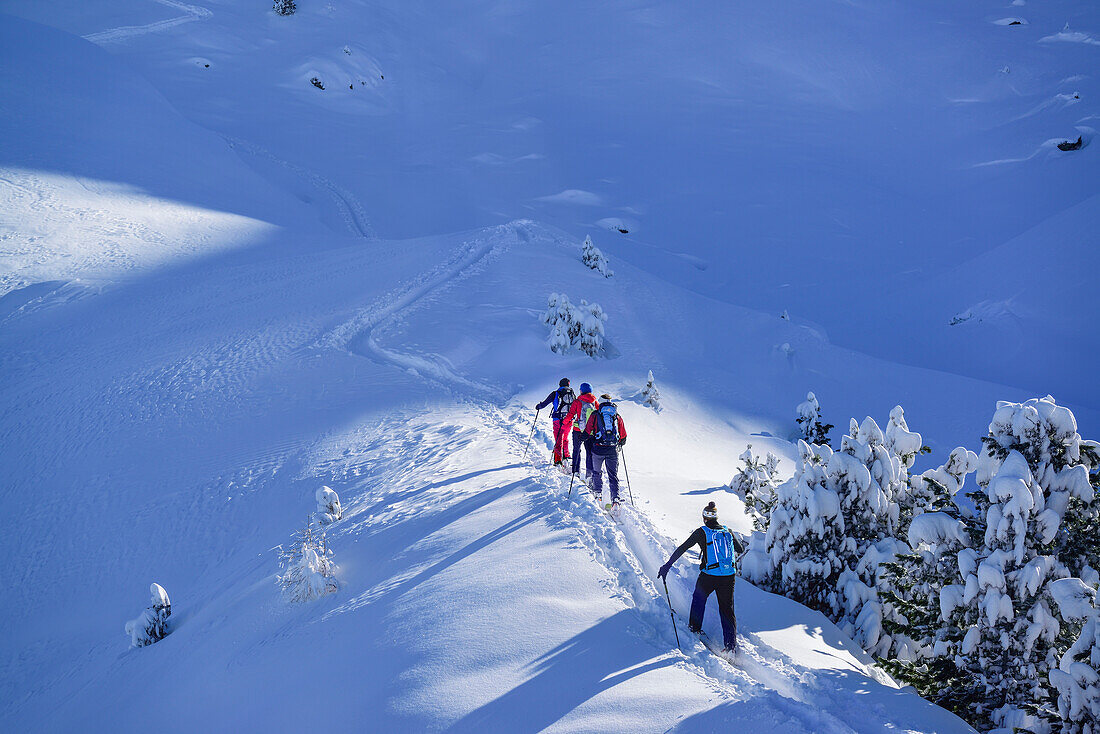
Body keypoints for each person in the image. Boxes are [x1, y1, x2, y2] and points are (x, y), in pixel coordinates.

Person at [657, 502, 746, 653]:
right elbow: (740, 549)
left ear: (704, 517)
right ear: (716, 517)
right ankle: (730, 647)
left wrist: (667, 565)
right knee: (727, 610)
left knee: (699, 600)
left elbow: (682, 548)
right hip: (728, 576)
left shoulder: (701, 532)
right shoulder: (727, 531)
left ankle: (694, 629)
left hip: (709, 575)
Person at [580, 393, 626, 505]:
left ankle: (598, 494)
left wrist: (582, 437)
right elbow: (623, 436)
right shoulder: (617, 416)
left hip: (598, 449)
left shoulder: (595, 415)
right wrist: (619, 442)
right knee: (613, 475)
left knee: (597, 472)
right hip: (612, 450)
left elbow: (587, 431)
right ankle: (615, 499)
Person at [535, 378, 575, 466]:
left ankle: (558, 460)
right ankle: (566, 455)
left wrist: (538, 406)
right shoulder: (572, 393)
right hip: (569, 420)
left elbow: (544, 403)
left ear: (559, 384)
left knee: (558, 439)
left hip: (558, 420)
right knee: (565, 438)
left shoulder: (555, 393)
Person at [564, 382, 599, 479]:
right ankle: (589, 474)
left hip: (578, 429)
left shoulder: (577, 401)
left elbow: (571, 414)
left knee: (576, 450)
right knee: (589, 452)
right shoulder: (595, 402)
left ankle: (576, 472)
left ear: (581, 390)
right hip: (590, 432)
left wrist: (564, 422)